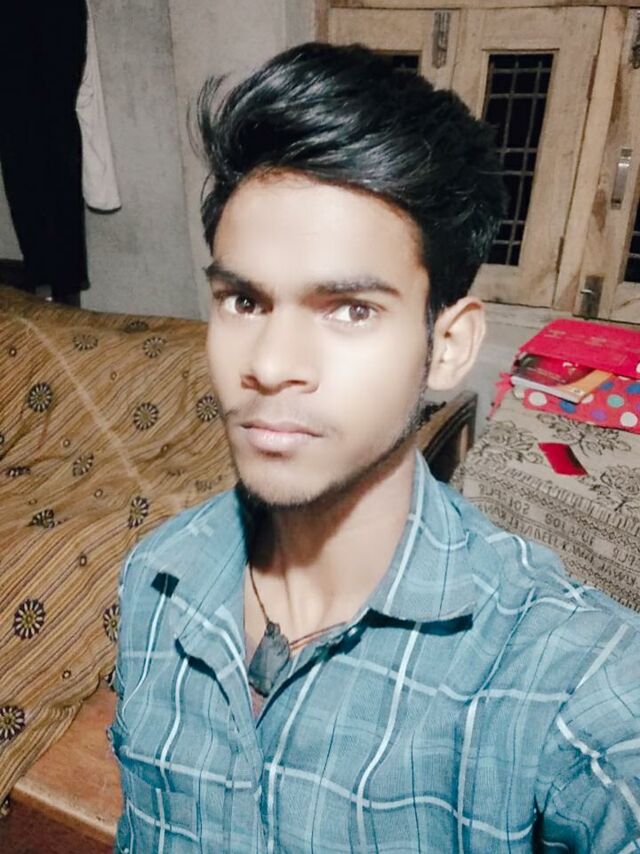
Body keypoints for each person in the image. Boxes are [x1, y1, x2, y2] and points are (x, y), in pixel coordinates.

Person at [110, 42, 640, 853]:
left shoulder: (567, 681)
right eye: (243, 300)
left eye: (350, 310)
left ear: (448, 347)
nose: (271, 365)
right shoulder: (158, 575)